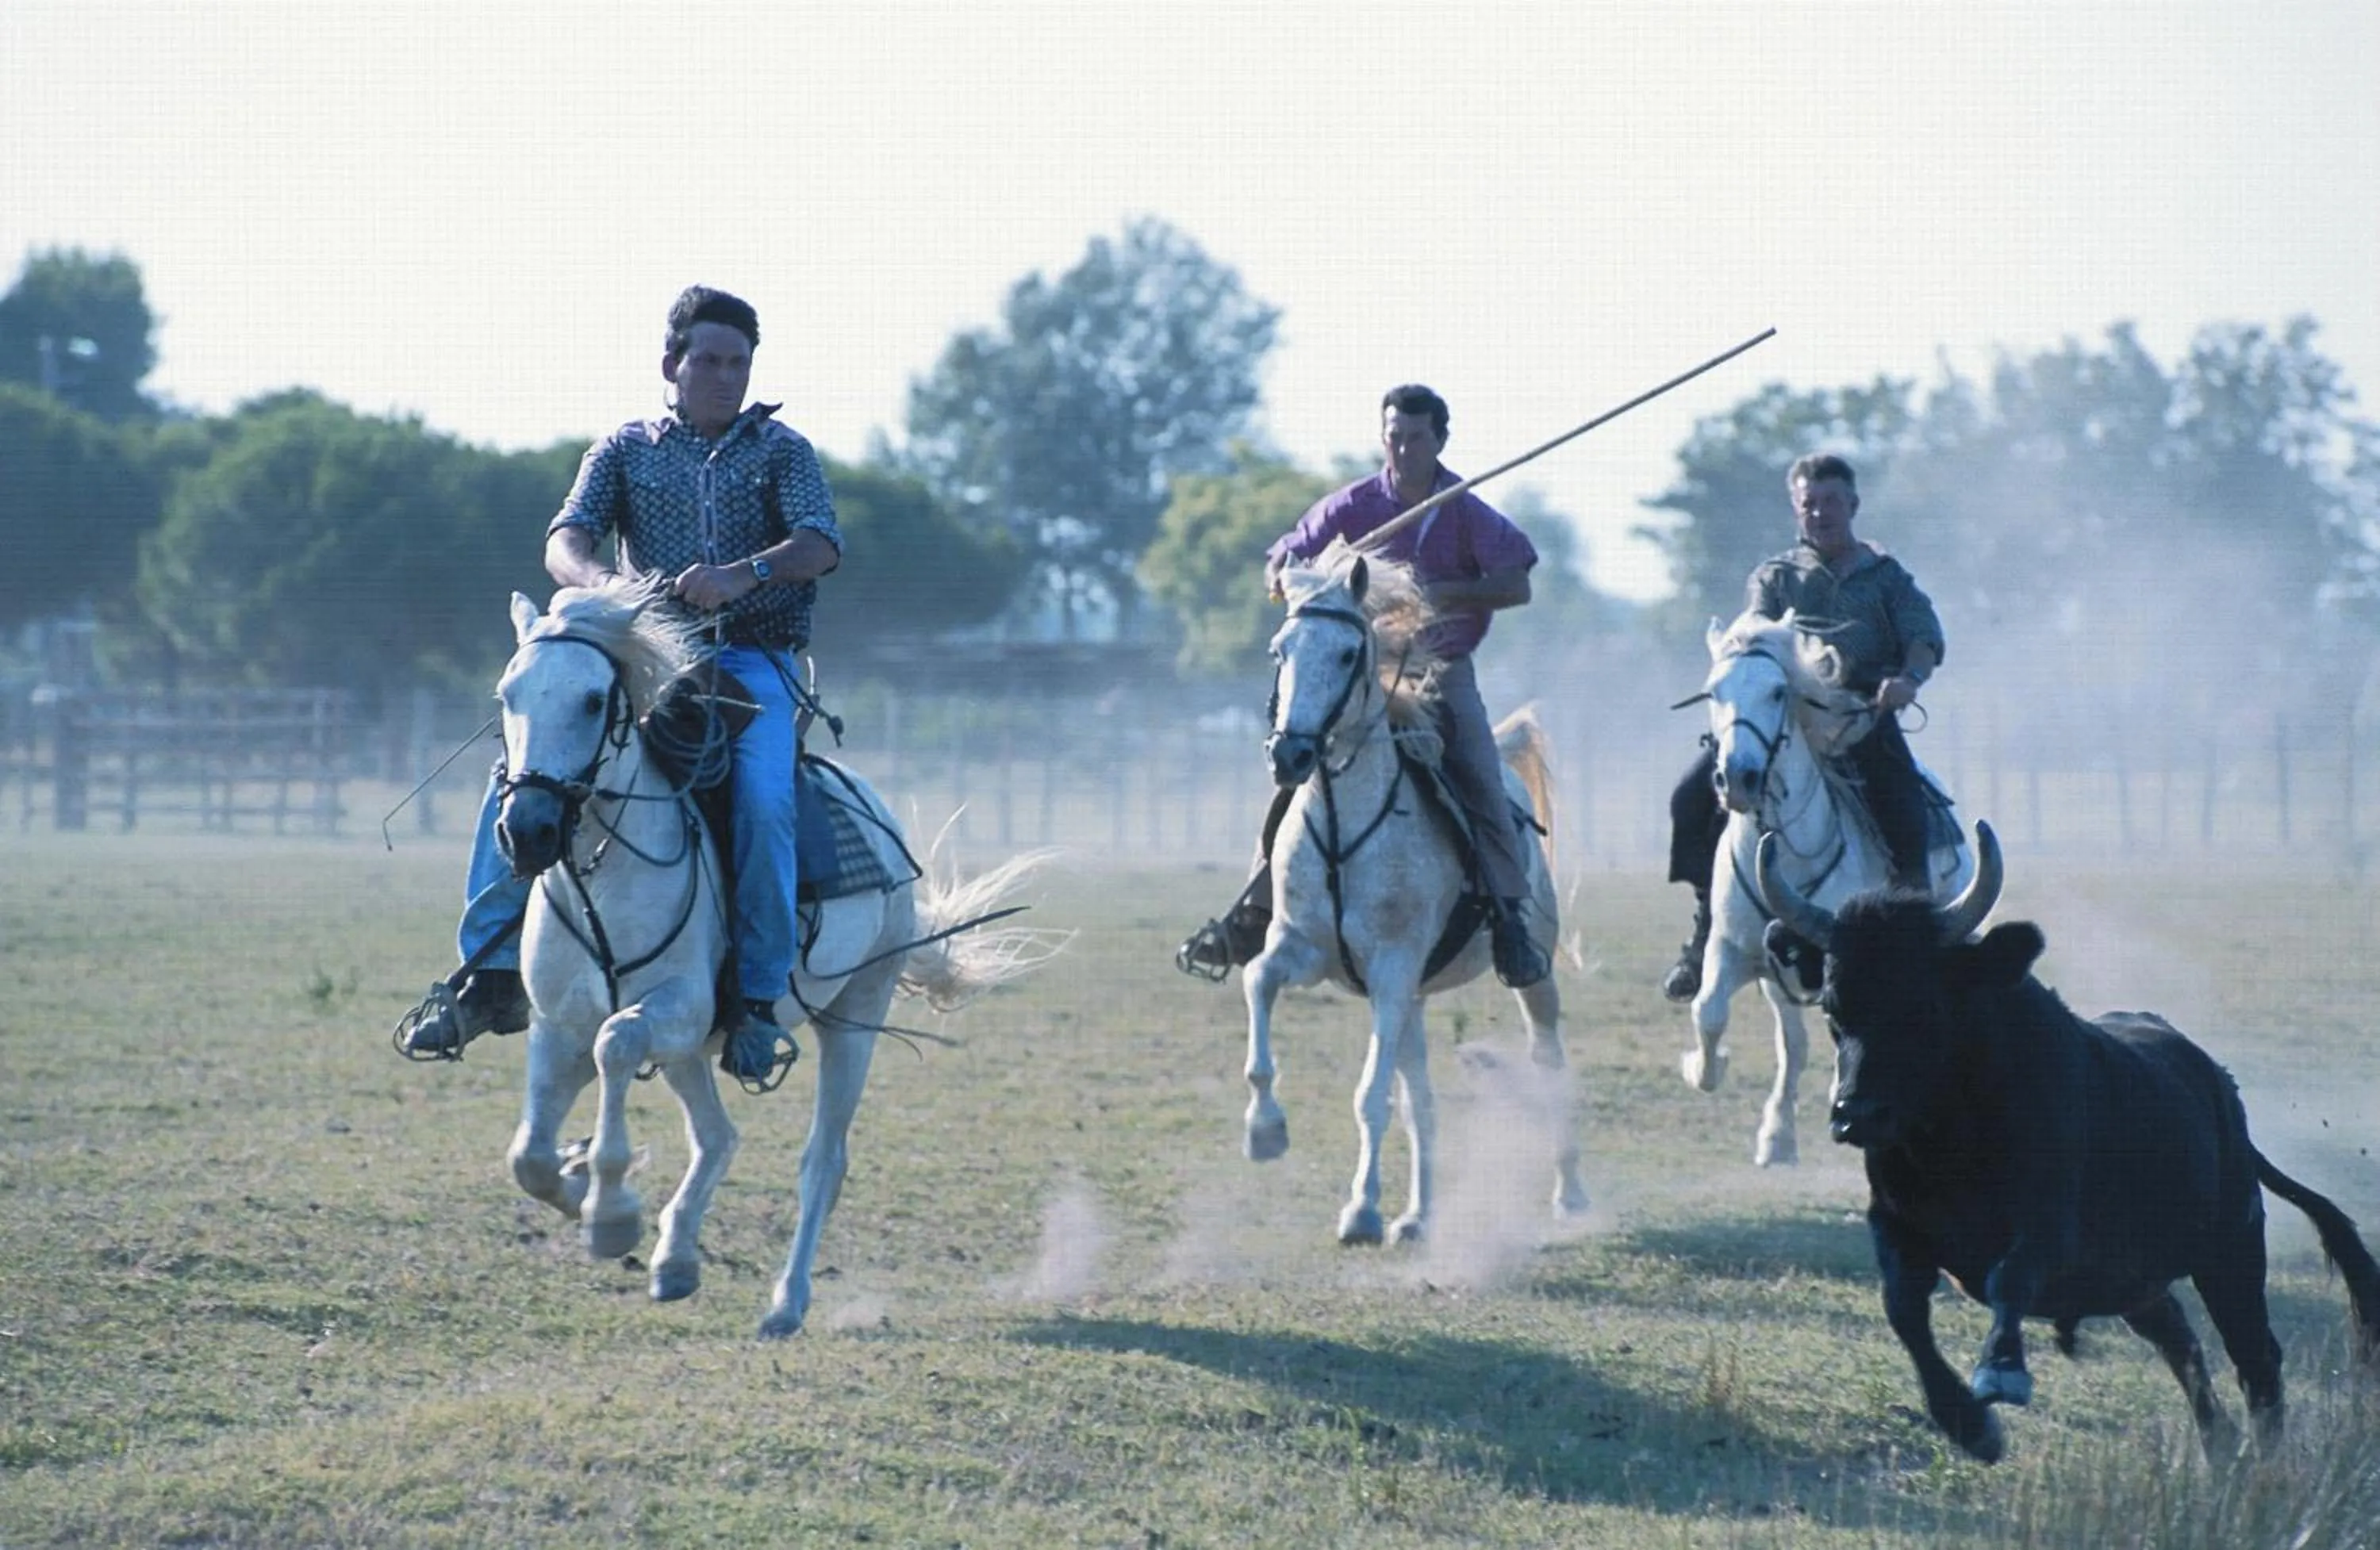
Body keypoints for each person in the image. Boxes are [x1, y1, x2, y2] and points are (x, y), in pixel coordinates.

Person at [403, 285, 843, 1081]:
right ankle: (487, 976)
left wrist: (744, 575)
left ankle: (755, 1000)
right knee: (524, 772)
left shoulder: (784, 452)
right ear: (671, 363)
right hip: (646, 656)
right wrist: (607, 592)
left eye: (737, 363)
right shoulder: (623, 448)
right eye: (706, 360)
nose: (722, 376)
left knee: (765, 800)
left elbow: (818, 545)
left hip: (753, 662)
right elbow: (565, 541)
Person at [1177, 383, 1551, 990]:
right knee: (1295, 773)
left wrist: (1447, 592)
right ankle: (1254, 912)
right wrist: (1283, 578)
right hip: (1361, 676)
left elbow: (1517, 584)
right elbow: (1285, 558)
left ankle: (1509, 920)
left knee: (1482, 779)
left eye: (1415, 438)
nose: (1402, 449)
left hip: (1439, 674)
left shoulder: (1463, 511)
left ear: (1440, 441)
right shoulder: (1350, 507)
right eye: (1393, 436)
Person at [1659, 451, 1944, 1002]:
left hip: (1861, 721)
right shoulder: (1775, 577)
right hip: (1781, 724)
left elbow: (1924, 635)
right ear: (1796, 509)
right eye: (1809, 504)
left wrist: (1907, 678)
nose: (1820, 513)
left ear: (1853, 505)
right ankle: (1704, 934)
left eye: (1831, 502)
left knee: (1905, 809)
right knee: (1690, 800)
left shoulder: (1886, 577)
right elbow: (1752, 636)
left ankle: (1917, 940)